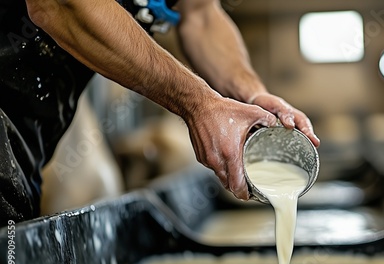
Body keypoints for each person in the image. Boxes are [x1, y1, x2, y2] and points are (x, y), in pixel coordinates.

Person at [0, 0, 320, 225]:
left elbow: (202, 15)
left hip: (33, 122)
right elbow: (61, 4)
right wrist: (199, 104)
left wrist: (252, 93)